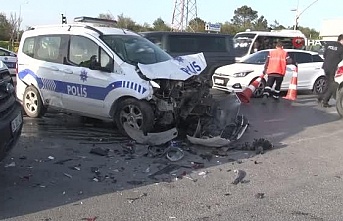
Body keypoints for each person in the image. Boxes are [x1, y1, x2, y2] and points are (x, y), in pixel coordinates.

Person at [318, 34, 343, 108]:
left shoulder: (329, 45)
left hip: (326, 67)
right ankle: (325, 101)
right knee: (333, 85)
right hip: (333, 68)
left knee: (328, 83)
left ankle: (320, 97)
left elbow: (324, 55)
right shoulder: (341, 48)